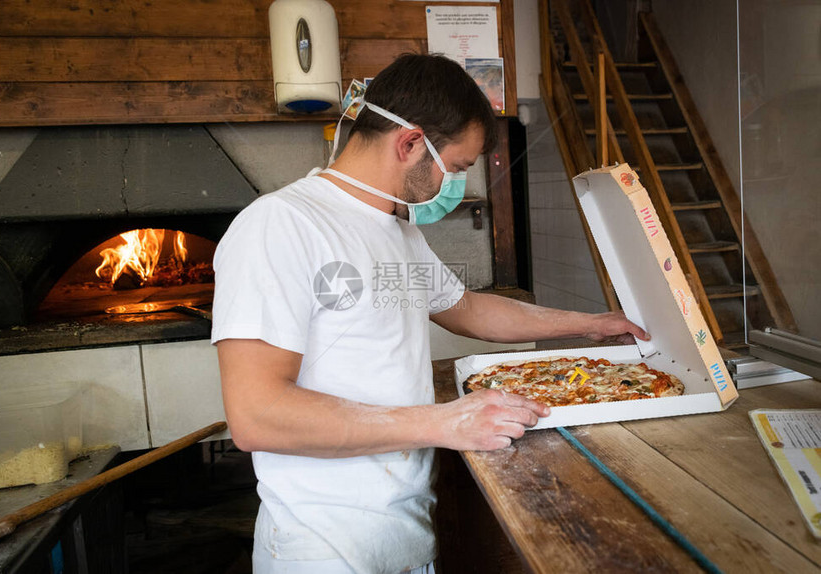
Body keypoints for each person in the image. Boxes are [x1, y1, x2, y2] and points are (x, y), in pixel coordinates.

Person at [212, 54, 648, 574]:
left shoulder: (397, 230)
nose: (457, 184)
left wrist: (594, 324)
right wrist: (445, 421)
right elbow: (256, 416)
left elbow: (468, 310)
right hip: (326, 546)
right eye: (459, 168)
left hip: (404, 533)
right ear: (410, 143)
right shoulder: (280, 225)